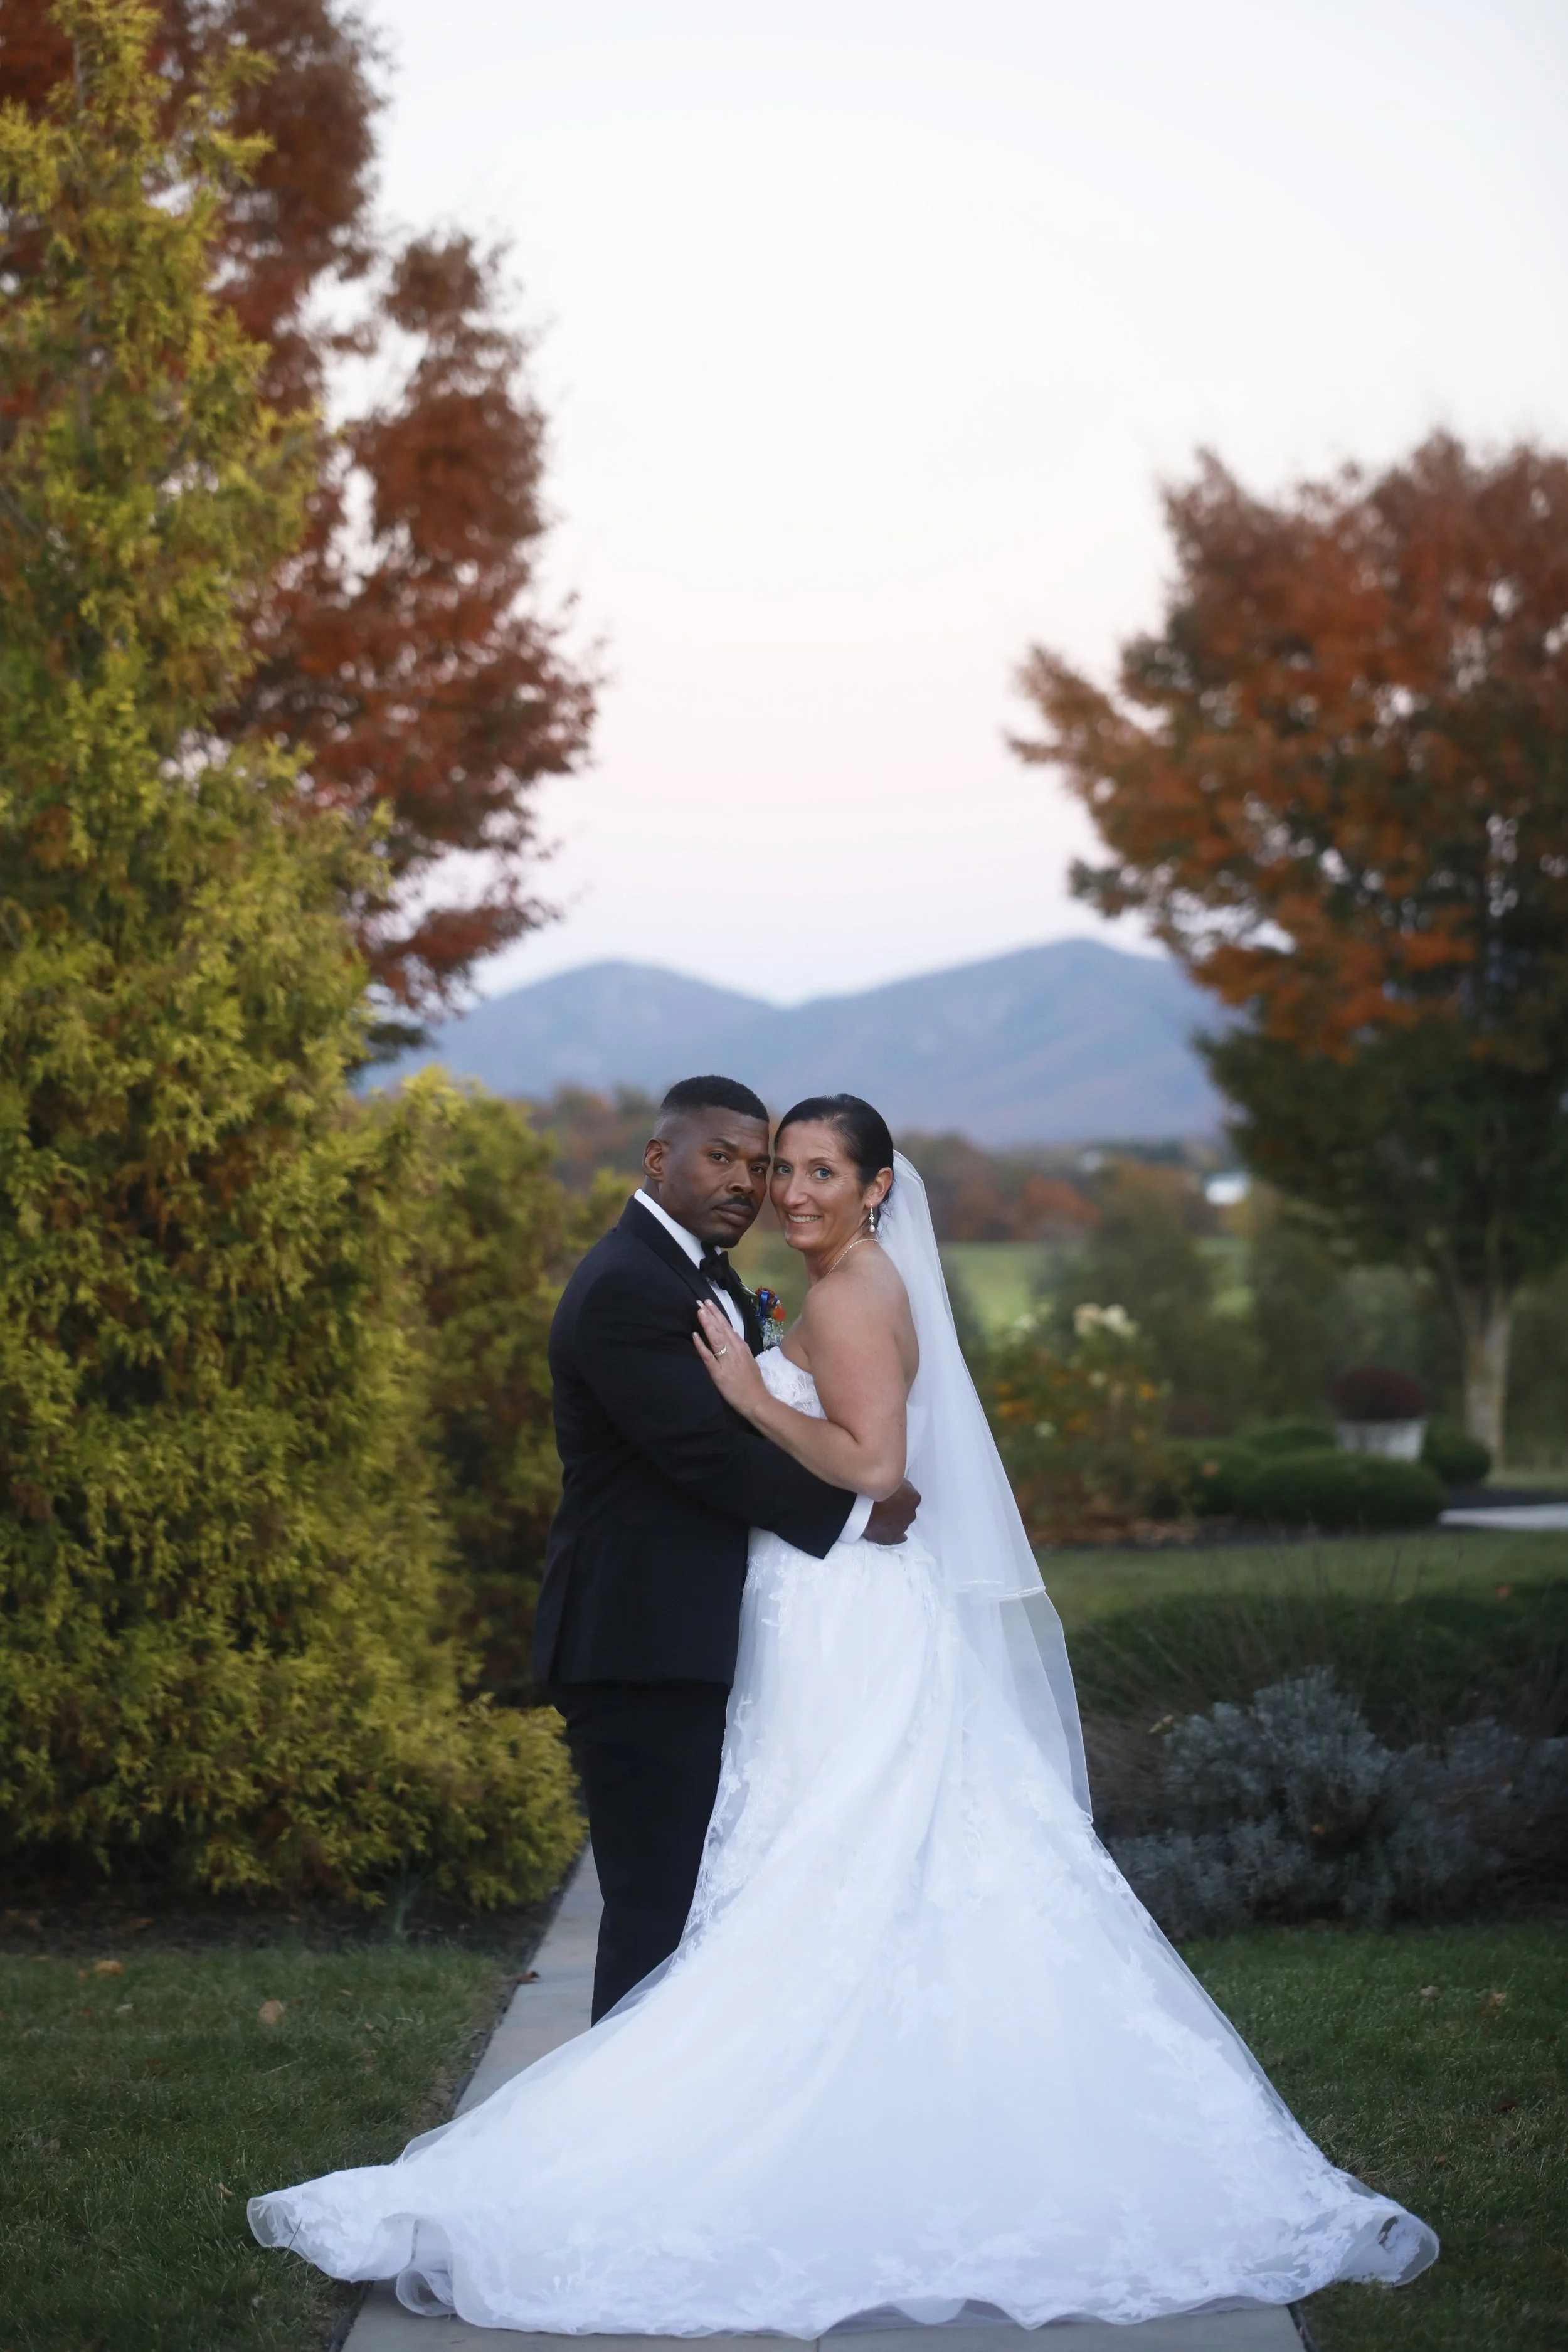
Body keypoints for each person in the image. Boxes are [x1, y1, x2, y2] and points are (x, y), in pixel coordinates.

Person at [251, 1094, 1437, 2334]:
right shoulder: (675, 1284)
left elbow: (870, 1466)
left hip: (841, 1611)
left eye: (811, 1170)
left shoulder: (845, 1294)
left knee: (824, 1871)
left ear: (876, 1189)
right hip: (781, 1610)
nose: (786, 1190)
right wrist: (788, 1425)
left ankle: (684, 2151)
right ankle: (689, 2136)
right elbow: (780, 1465)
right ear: (664, 1161)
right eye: (772, 1167)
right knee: (786, 1877)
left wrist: (757, 1396)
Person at [533, 1074, 918, 2019]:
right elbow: (706, 1454)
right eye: (728, 1159)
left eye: (764, 1164)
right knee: (655, 1905)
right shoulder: (628, 1285)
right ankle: (620, 2130)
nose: (753, 1184)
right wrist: (860, 1515)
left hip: (696, 1634)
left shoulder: (696, 1270)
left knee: (704, 1899)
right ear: (657, 1159)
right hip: (639, 1641)